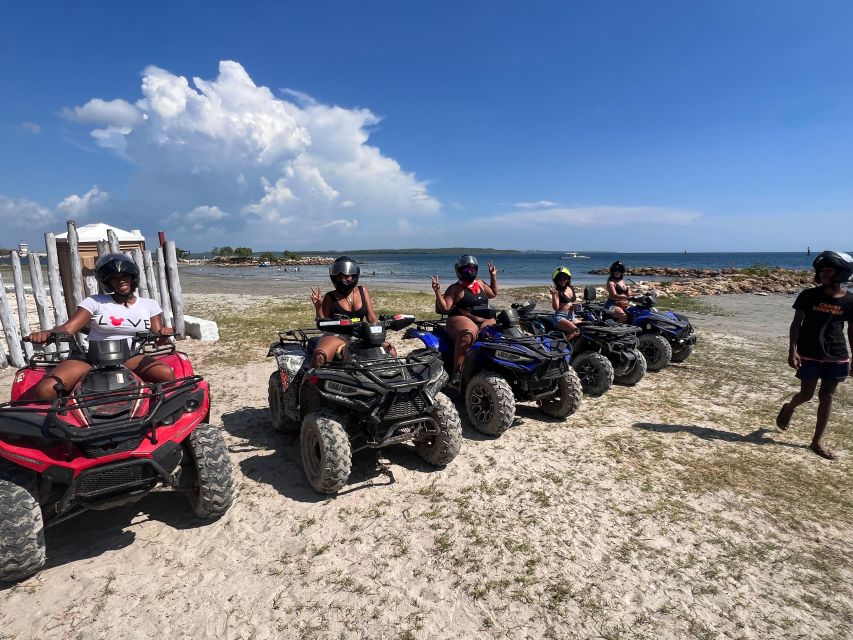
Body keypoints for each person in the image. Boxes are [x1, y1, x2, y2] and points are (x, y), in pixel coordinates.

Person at [28, 253, 175, 400]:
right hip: (90, 357)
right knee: (46, 390)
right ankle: (60, 418)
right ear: (107, 282)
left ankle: (162, 411)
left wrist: (164, 333)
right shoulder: (95, 301)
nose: (121, 281)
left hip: (129, 355)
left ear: (132, 277)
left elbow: (158, 339)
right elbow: (68, 328)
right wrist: (47, 333)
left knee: (166, 374)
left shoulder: (149, 304)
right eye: (114, 278)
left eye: (125, 275)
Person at [776, 251, 853, 459]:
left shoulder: (850, 301)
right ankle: (789, 407)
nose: (823, 273)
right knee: (807, 394)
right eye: (821, 270)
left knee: (827, 396)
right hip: (809, 353)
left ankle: (816, 442)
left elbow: (852, 331)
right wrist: (792, 350)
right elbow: (796, 324)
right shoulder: (809, 295)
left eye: (828, 270)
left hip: (837, 355)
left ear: (842, 273)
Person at [432, 255, 498, 386]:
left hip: (483, 318)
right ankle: (458, 372)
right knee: (467, 334)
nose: (470, 272)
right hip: (460, 318)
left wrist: (493, 276)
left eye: (473, 270)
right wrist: (437, 291)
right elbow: (445, 308)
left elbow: (493, 293)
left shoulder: (480, 283)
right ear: (459, 271)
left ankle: (491, 365)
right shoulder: (455, 288)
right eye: (467, 270)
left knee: (496, 332)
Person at [310, 256, 385, 367]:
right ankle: (309, 383)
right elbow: (323, 323)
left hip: (362, 334)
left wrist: (380, 336)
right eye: (339, 276)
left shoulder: (362, 291)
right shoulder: (330, 297)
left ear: (354, 276)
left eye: (347, 276)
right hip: (337, 335)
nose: (343, 279)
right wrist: (318, 307)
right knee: (319, 357)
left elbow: (372, 318)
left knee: (390, 351)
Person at [548, 267, 580, 339]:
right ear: (556, 280)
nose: (562, 281)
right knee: (576, 331)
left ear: (568, 278)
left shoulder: (571, 288)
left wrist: (575, 307)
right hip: (560, 317)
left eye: (564, 278)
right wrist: (553, 295)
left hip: (571, 316)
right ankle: (561, 347)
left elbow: (573, 302)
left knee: (586, 327)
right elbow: (556, 308)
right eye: (559, 278)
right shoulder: (557, 291)